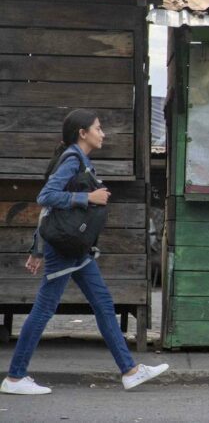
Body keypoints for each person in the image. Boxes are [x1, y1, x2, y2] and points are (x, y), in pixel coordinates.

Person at [1, 109, 168, 395]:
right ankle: (15, 377)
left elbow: (49, 212)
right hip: (65, 250)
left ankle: (130, 371)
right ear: (83, 132)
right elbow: (46, 199)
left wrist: (37, 248)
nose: (102, 133)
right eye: (98, 128)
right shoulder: (72, 159)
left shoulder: (79, 160)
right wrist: (87, 197)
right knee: (44, 309)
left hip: (76, 250)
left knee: (103, 304)